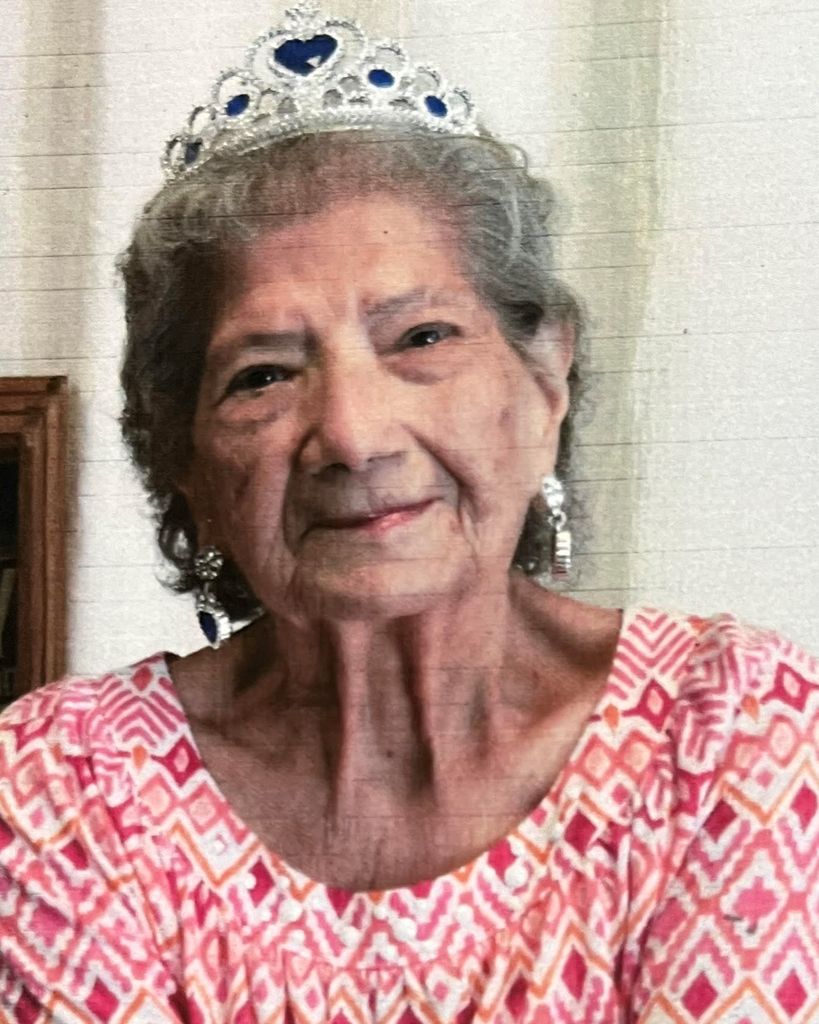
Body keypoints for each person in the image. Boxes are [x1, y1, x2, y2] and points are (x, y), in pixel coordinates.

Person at [1, 4, 818, 1021]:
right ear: (185, 464)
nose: (353, 435)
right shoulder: (63, 784)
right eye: (262, 375)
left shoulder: (731, 726)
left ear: (545, 380)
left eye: (422, 337)